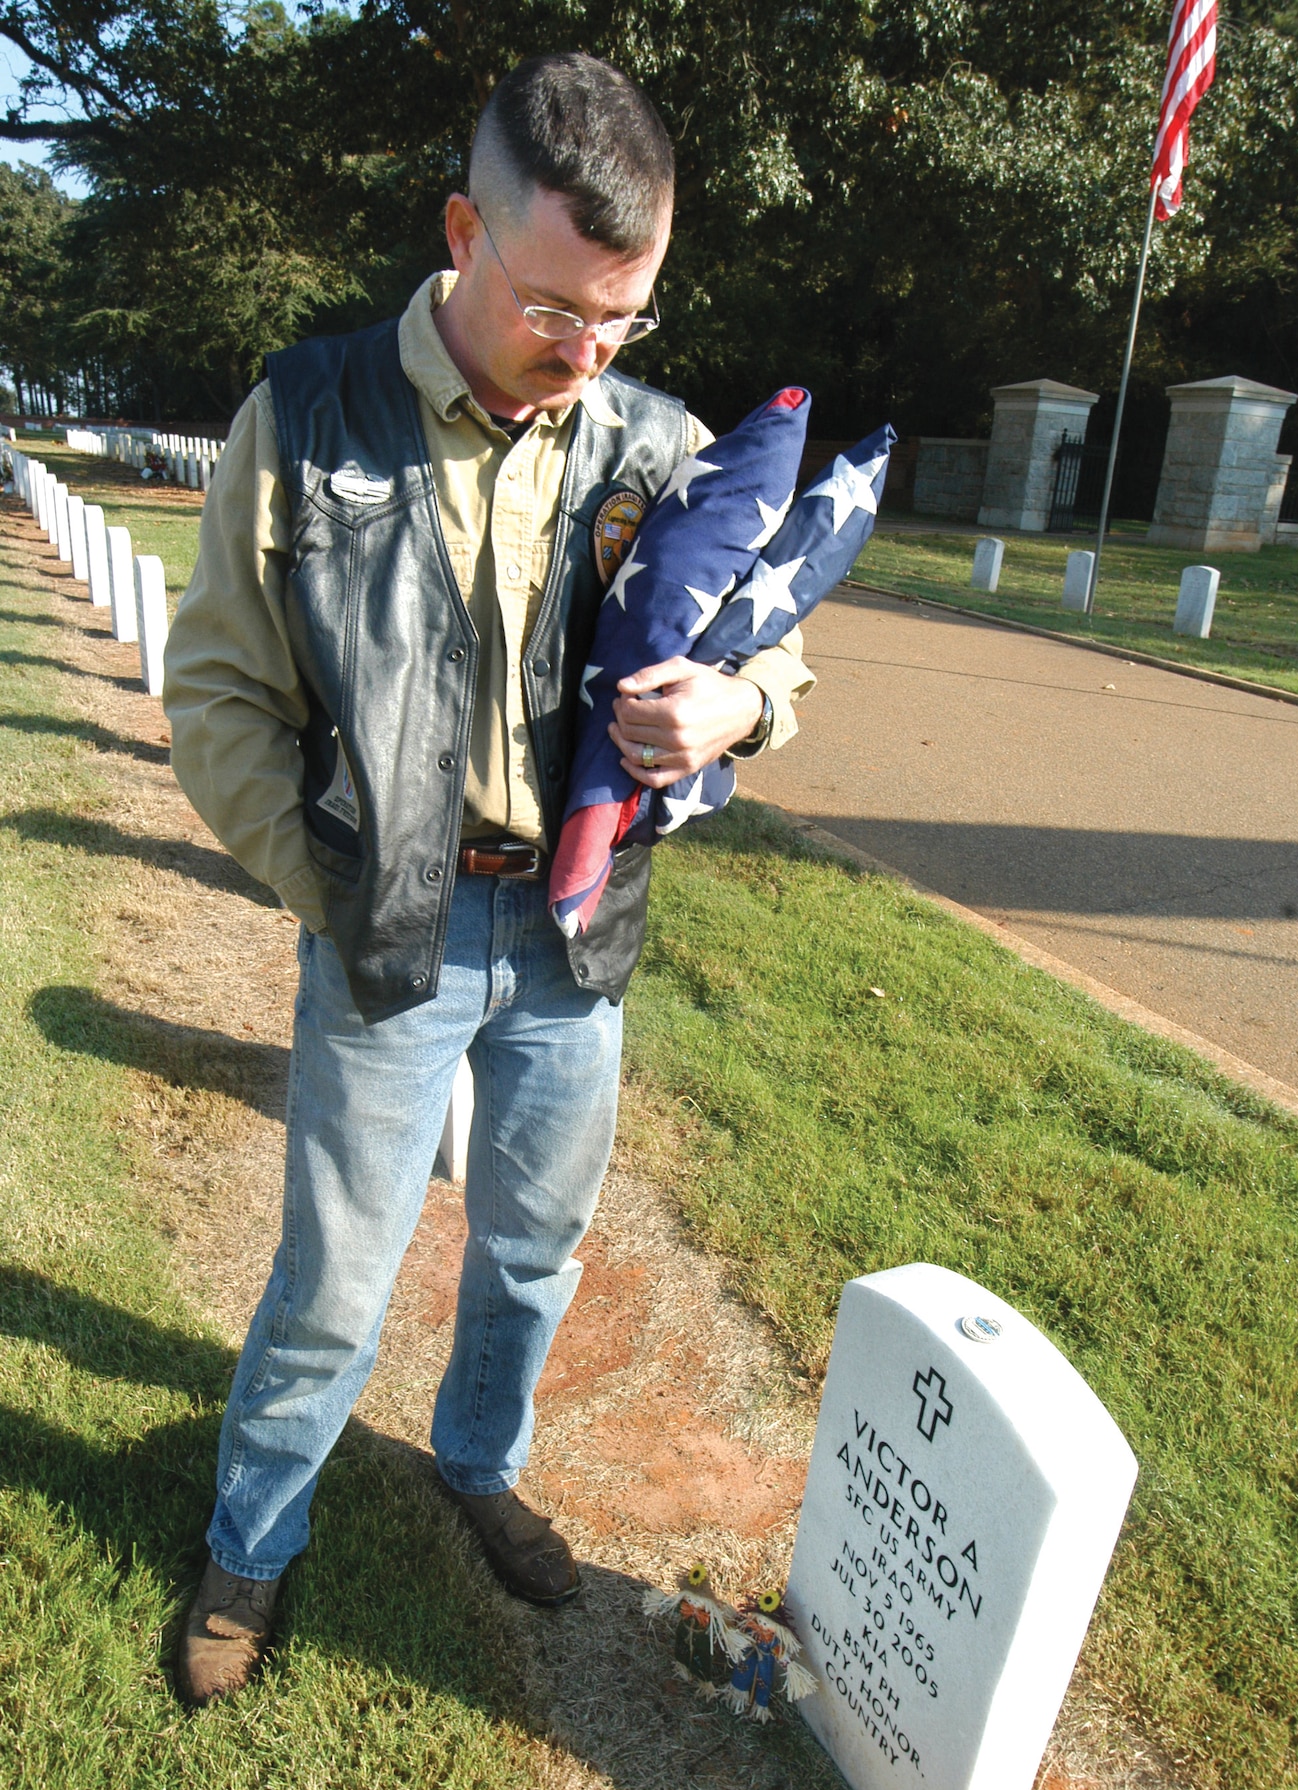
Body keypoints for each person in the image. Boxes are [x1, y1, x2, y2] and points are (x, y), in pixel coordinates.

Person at [163, 49, 814, 1706]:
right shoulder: (307, 413)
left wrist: (734, 703)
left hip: (575, 935)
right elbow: (221, 690)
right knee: (336, 1275)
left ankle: (476, 1462)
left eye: (624, 318)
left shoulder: (654, 440)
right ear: (462, 230)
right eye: (553, 310)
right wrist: (331, 893)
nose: (585, 355)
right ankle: (254, 1535)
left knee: (534, 1247)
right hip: (391, 927)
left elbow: (773, 642)